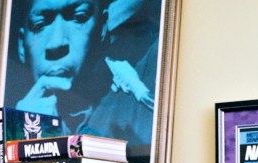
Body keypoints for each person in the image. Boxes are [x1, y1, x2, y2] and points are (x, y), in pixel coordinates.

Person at [11, 0, 158, 147]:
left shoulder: (144, 93)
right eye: (40, 25)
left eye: (79, 18)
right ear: (22, 46)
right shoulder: (13, 127)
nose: (56, 43)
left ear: (102, 27)